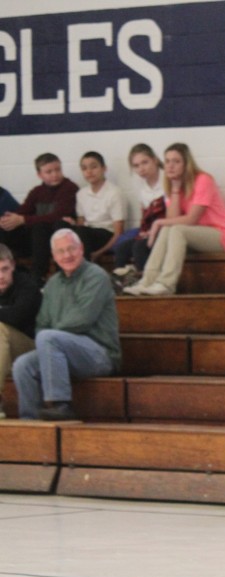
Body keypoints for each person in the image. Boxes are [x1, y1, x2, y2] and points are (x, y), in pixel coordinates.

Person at [13, 228, 120, 421]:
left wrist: (48, 338)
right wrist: (48, 340)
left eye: (71, 249)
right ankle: (29, 421)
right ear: (54, 256)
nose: (67, 255)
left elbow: (82, 319)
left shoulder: (96, 276)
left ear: (81, 249)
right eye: (60, 251)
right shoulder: (53, 283)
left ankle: (60, 404)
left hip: (99, 354)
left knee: (47, 337)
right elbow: (41, 323)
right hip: (61, 352)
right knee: (23, 364)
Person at [123, 142, 225, 296]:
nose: (170, 166)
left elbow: (191, 219)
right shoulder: (172, 185)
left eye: (176, 161)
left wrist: (158, 222)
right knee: (170, 228)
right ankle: (147, 280)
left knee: (176, 229)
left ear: (186, 164)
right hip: (195, 235)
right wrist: (176, 189)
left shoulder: (203, 180)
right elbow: (173, 219)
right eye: (168, 161)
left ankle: (166, 284)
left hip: (221, 235)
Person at [0, 153, 79, 282]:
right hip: (36, 241)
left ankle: (38, 275)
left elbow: (58, 215)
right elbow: (23, 211)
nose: (55, 174)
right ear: (39, 175)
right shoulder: (37, 191)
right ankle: (13, 272)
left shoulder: (70, 188)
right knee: (6, 229)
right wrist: (8, 220)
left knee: (40, 226)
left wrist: (24, 220)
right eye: (49, 172)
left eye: (57, 170)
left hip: (58, 236)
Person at [112, 143, 166, 280]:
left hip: (167, 228)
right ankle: (121, 283)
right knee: (121, 248)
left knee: (139, 246)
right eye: (136, 166)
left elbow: (172, 213)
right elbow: (145, 215)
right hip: (151, 229)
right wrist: (144, 230)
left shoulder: (167, 180)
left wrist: (152, 231)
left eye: (145, 162)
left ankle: (147, 282)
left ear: (154, 160)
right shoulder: (141, 187)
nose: (141, 169)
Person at [0, 244, 42, 418]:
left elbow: (17, 317)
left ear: (13, 266)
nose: (0, 276)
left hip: (30, 348)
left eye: (4, 269)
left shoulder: (27, 285)